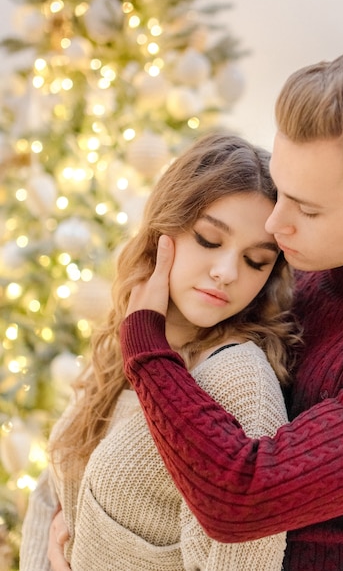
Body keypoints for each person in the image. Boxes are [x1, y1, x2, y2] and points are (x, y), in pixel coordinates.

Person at [120, 50, 343, 571]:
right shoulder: (310, 256)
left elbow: (243, 499)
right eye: (281, 190)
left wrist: (146, 348)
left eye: (307, 208)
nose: (276, 226)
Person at [20, 133, 303, 571]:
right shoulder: (128, 341)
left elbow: (244, 559)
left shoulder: (239, 381)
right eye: (209, 239)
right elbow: (47, 494)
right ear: (161, 230)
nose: (226, 272)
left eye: (255, 261)